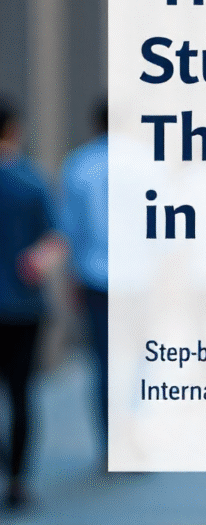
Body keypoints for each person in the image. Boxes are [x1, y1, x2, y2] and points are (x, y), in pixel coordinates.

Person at [0, 97, 65, 509]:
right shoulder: (32, 180)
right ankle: (18, 480)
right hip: (23, 305)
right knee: (21, 394)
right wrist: (35, 263)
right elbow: (55, 243)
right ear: (14, 130)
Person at [60, 99, 108, 447]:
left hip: (95, 277)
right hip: (139, 280)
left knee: (103, 361)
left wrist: (70, 279)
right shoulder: (151, 164)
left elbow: (70, 232)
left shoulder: (80, 164)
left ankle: (110, 441)